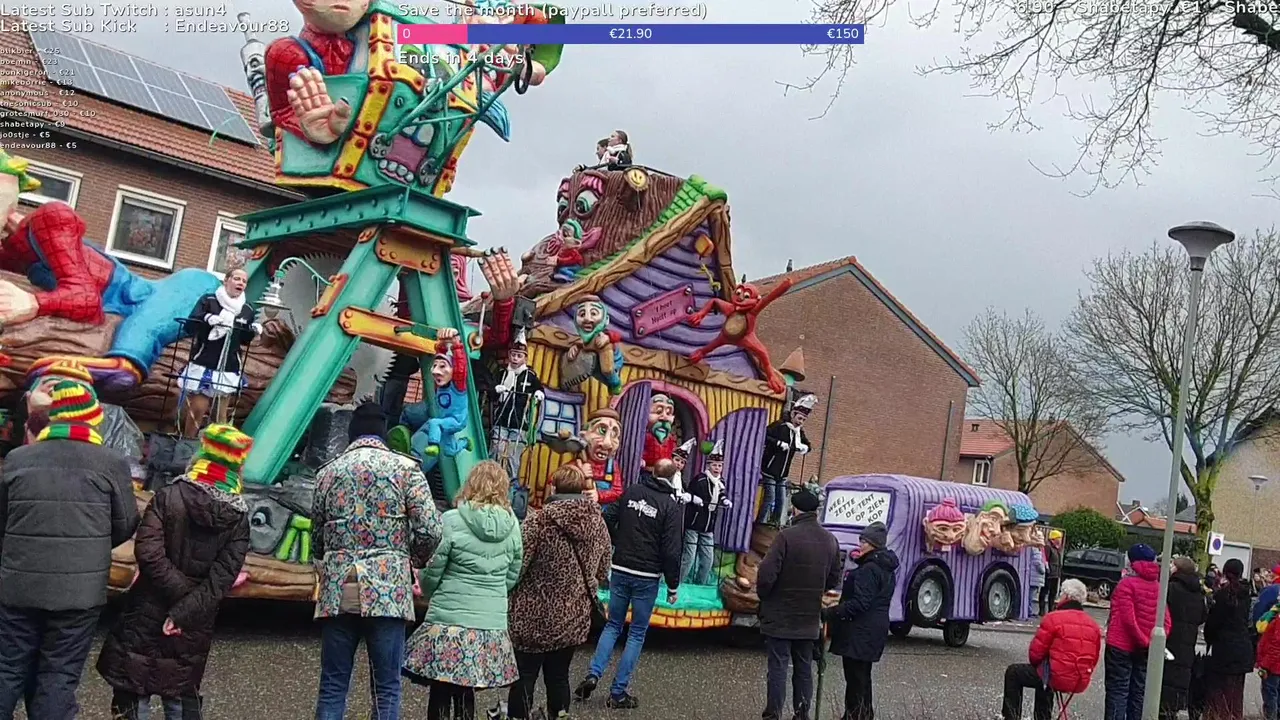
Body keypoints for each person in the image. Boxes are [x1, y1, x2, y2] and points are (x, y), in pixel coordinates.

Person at [0, 377, 139, 718]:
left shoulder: (18, 459)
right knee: (58, 674)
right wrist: (91, 545)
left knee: (7, 667)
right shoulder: (111, 463)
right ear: (93, 418)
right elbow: (125, 523)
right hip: (80, 592)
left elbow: (3, 520)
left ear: (55, 416)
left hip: (19, 586)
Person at [96, 424, 253, 720]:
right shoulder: (238, 519)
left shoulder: (168, 496)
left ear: (202, 457)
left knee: (133, 687)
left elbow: (148, 552)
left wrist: (179, 597)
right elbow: (222, 579)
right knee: (181, 690)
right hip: (194, 620)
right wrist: (186, 609)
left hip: (146, 609)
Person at [312, 402, 442, 720]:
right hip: (388, 590)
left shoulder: (328, 473)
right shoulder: (406, 470)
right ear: (383, 433)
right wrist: (412, 559)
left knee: (332, 686)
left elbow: (317, 537)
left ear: (352, 433)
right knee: (386, 687)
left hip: (339, 590)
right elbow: (430, 529)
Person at [403, 461, 523, 720]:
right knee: (467, 687)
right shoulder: (513, 526)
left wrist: (426, 589)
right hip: (489, 623)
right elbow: (512, 575)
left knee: (441, 686)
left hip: (449, 620)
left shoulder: (451, 520)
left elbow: (433, 570)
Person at [575, 458, 684, 710]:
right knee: (636, 632)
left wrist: (619, 541)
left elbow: (608, 515)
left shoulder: (632, 491)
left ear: (653, 473)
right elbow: (671, 550)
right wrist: (673, 585)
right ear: (672, 478)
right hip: (647, 574)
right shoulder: (671, 506)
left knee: (613, 624)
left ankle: (593, 673)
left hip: (621, 567)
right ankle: (618, 692)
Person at [506, 465, 611, 720]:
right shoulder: (597, 522)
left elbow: (518, 566)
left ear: (553, 487)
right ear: (582, 490)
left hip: (532, 616)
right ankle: (558, 715)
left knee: (525, 676)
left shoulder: (538, 521)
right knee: (559, 675)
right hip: (572, 616)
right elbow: (603, 569)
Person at [756, 484, 841, 720]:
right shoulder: (830, 540)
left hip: (780, 615)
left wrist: (765, 596)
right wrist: (816, 590)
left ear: (794, 510)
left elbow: (766, 575)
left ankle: (773, 714)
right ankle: (802, 713)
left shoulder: (785, 537)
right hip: (809, 616)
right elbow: (834, 578)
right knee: (804, 668)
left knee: (778, 667)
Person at [825, 521, 899, 720]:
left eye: (864, 541)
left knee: (855, 679)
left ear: (874, 544)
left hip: (860, 631)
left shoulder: (869, 569)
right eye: (861, 540)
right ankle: (864, 714)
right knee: (863, 677)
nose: (860, 544)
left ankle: (854, 716)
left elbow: (860, 603)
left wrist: (831, 612)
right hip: (873, 629)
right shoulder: (885, 568)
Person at [177, 267, 261, 436]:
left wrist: (253, 331)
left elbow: (244, 340)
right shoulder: (209, 300)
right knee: (197, 410)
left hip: (229, 366)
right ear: (226, 280)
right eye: (236, 278)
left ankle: (215, 448)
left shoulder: (247, 309)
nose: (240, 283)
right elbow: (190, 325)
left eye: (244, 281)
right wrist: (207, 318)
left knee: (220, 417)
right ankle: (186, 443)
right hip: (204, 362)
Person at [1001, 579, 1102, 720]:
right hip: (1080, 680)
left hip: (1056, 677)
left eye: (1061, 594)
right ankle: (1043, 716)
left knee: (1016, 672)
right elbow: (1094, 658)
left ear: (1066, 597)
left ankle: (1012, 716)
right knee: (1046, 672)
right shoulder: (1093, 625)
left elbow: (1035, 654)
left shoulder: (1053, 618)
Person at [1103, 543, 1170, 720]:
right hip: (1146, 649)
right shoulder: (1159, 587)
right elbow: (1166, 621)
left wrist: (1141, 639)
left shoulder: (1126, 585)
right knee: (1139, 692)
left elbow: (1127, 619)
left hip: (1120, 645)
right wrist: (1152, 642)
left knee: (1118, 691)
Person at [1203, 558, 1255, 720]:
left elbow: (1213, 624)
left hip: (1224, 651)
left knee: (1218, 695)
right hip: (1243, 649)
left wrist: (1209, 639)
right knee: (1235, 695)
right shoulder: (1247, 594)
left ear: (1225, 572)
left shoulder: (1222, 595)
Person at [1160, 557, 1209, 719]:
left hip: (1169, 639)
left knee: (1165, 679)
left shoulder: (1170, 588)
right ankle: (1172, 710)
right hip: (1188, 643)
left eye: (1173, 564)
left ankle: (1163, 711)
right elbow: (1202, 616)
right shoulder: (1198, 593)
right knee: (1178, 680)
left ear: (1178, 569)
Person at [680, 440, 733, 586]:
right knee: (689, 558)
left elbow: (721, 494)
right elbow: (688, 494)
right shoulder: (700, 479)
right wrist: (693, 498)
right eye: (714, 465)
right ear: (708, 465)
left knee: (708, 559)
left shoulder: (721, 481)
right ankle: (677, 583)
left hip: (708, 527)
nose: (717, 468)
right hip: (694, 524)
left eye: (720, 465)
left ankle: (700, 585)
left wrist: (725, 500)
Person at [757, 394, 814, 527]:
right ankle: (761, 523)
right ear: (793, 414)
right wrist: (778, 443)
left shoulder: (798, 432)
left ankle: (775, 523)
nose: (800, 422)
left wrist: (804, 448)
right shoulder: (780, 425)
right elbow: (764, 435)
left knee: (781, 500)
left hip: (783, 473)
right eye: (799, 418)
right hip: (770, 468)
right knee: (770, 497)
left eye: (803, 420)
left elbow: (808, 446)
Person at [1255, 594, 1280, 720]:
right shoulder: (1274, 617)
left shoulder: (1277, 620)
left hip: (1273, 666)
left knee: (1271, 695)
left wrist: (1265, 666)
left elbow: (1275, 646)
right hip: (1275, 665)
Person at [1040, 530, 1063, 617]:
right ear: (1054, 539)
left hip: (1055, 574)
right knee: (1044, 591)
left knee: (1053, 593)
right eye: (1059, 538)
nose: (1060, 540)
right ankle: (1042, 609)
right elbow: (1045, 559)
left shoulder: (1057, 549)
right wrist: (1047, 569)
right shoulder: (1048, 547)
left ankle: (1051, 609)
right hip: (1049, 574)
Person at [1029, 544, 1046, 618]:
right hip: (1035, 577)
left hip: (1035, 577)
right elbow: (1037, 563)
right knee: (1031, 595)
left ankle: (1029, 611)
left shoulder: (1036, 550)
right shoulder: (1036, 550)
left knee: (1031, 595)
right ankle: (1029, 611)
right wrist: (1043, 570)